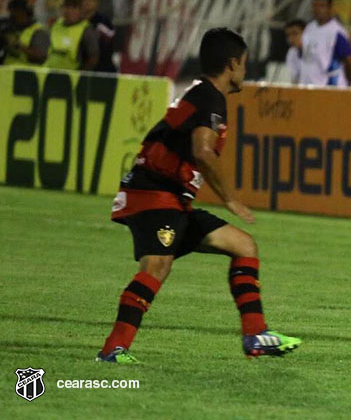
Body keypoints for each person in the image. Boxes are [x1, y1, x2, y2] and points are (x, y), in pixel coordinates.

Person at [99, 28, 301, 363]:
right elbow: (204, 152)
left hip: (172, 198)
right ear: (232, 64)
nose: (245, 72)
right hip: (154, 194)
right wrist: (229, 198)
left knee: (243, 245)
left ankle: (255, 334)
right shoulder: (210, 98)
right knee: (156, 266)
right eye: (244, 64)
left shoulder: (203, 94)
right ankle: (113, 349)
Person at [298, 0, 351, 87]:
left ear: (330, 8)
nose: (317, 9)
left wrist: (347, 84)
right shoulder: (309, 28)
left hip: (327, 87)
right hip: (307, 86)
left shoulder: (336, 32)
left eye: (322, 6)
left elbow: (350, 63)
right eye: (315, 5)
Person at [45, 0, 99, 71]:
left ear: (81, 10)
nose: (69, 11)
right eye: (66, 7)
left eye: (74, 8)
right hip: (49, 74)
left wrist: (80, 76)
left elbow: (93, 58)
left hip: (72, 78)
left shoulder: (86, 30)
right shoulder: (55, 26)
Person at [2, 0, 49, 66]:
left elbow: (40, 55)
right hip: (7, 71)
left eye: (14, 12)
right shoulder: (10, 27)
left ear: (23, 12)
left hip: (27, 73)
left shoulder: (38, 31)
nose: (12, 16)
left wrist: (17, 45)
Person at [81, 0, 116, 73]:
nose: (87, 2)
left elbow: (107, 50)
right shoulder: (75, 22)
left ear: (97, 2)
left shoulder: (104, 24)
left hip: (101, 71)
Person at [283, 18, 305, 84]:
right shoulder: (292, 52)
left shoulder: (318, 51)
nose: (291, 38)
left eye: (295, 33)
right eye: (288, 35)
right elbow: (292, 78)